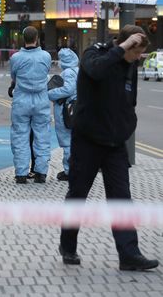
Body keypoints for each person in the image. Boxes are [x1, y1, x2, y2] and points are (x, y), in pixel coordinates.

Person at [59, 26, 158, 271]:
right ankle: (68, 245)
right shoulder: (95, 54)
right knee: (78, 194)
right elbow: (95, 71)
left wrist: (126, 127)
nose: (137, 58)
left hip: (114, 144)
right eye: (135, 53)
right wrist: (121, 49)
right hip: (87, 141)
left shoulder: (130, 66)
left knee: (121, 199)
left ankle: (129, 254)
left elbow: (129, 101)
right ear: (124, 44)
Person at [9, 26, 52, 184]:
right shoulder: (46, 56)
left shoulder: (16, 58)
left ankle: (21, 173)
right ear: (37, 38)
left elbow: (14, 76)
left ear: (23, 39)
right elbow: (46, 71)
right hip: (41, 99)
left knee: (20, 136)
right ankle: (41, 172)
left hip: (22, 99)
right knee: (42, 135)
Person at [47, 48, 79, 181]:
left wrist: (49, 94)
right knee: (74, 140)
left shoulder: (68, 72)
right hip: (74, 108)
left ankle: (69, 171)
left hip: (66, 109)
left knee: (67, 142)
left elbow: (68, 89)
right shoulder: (77, 70)